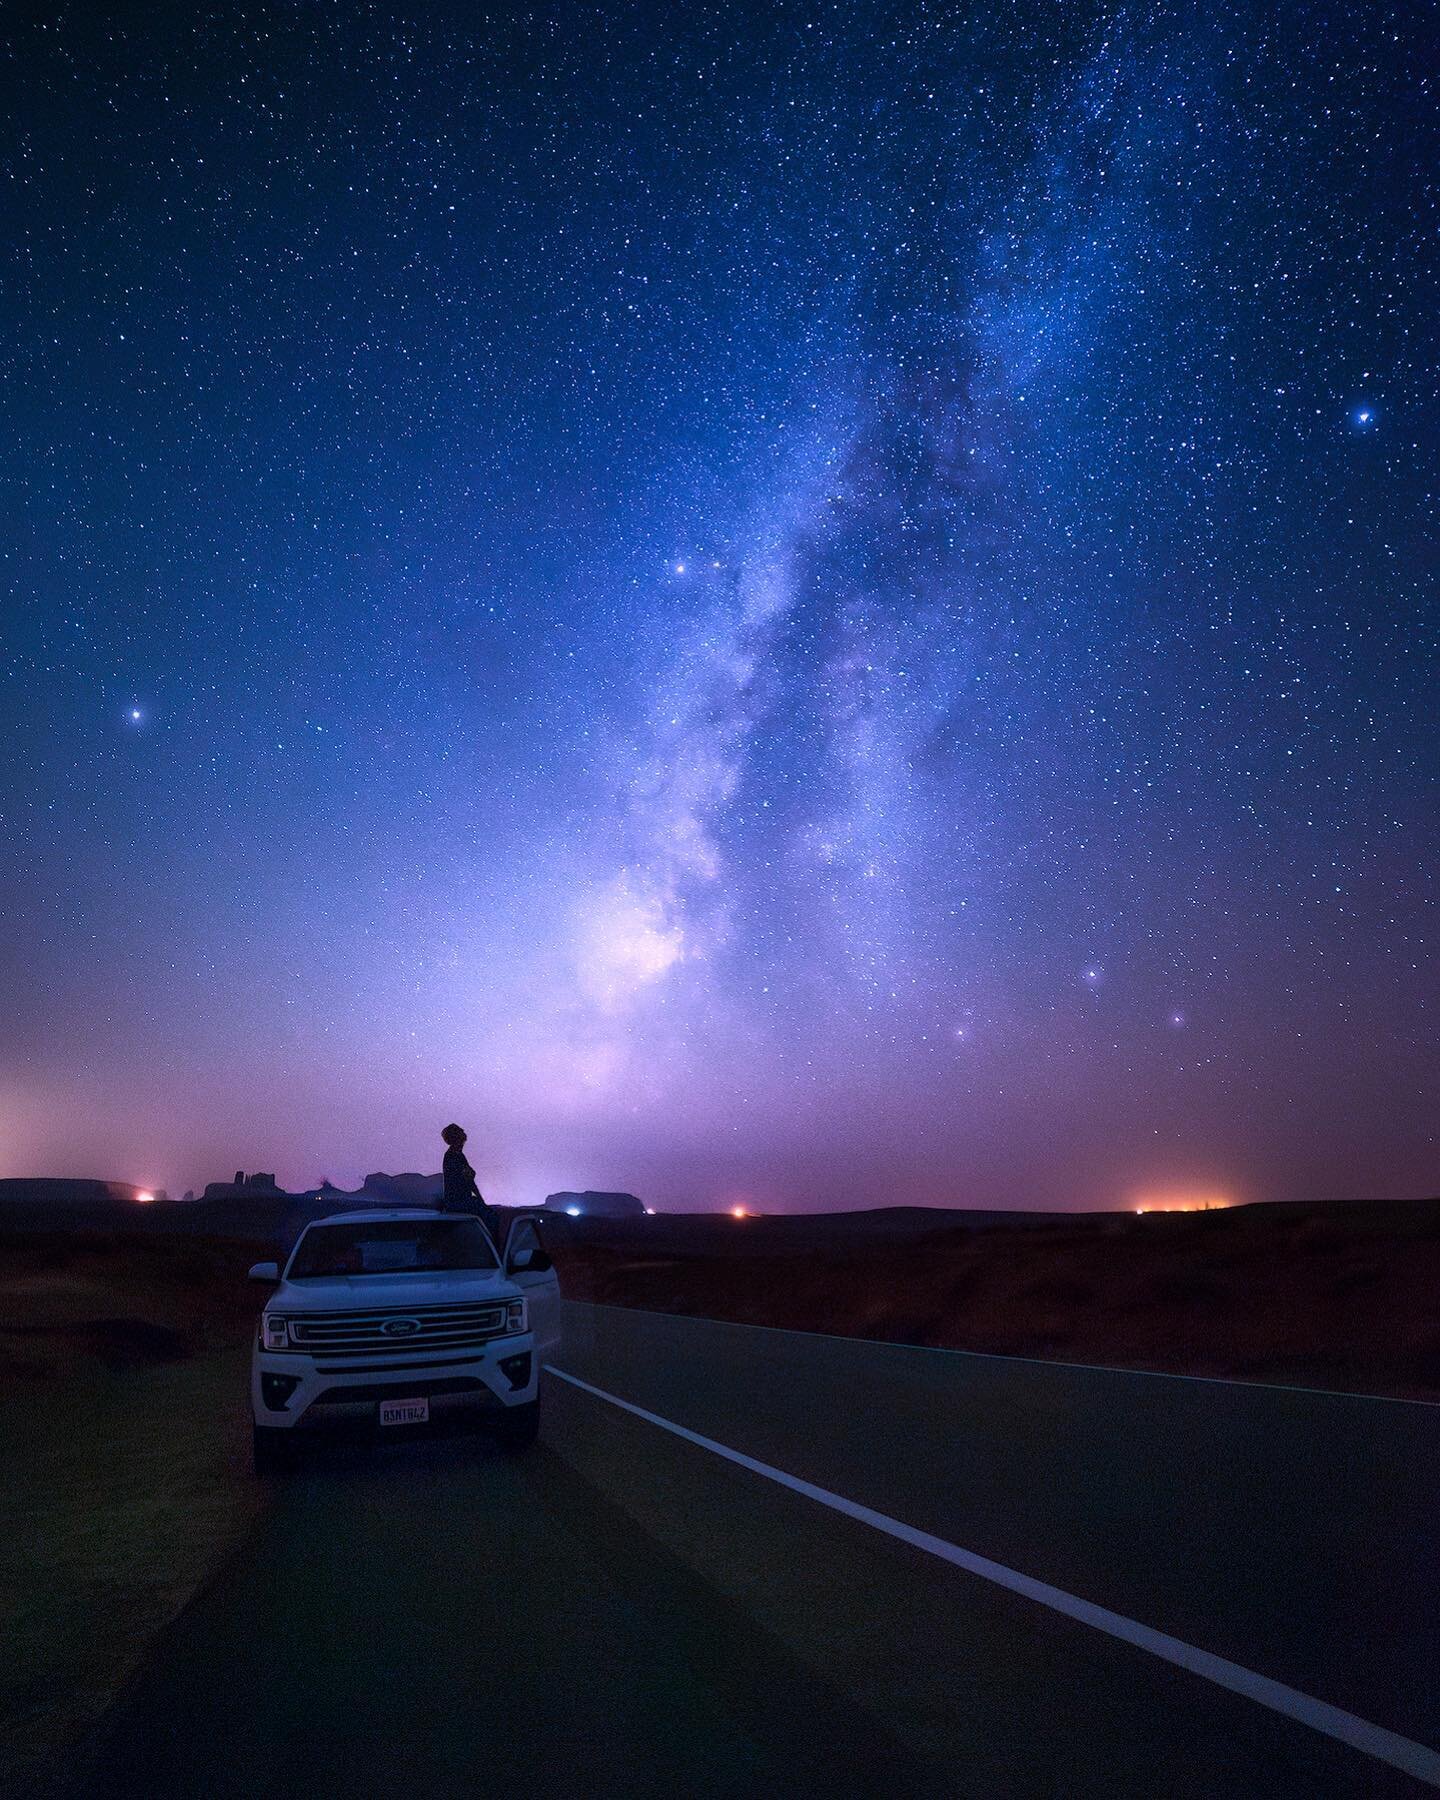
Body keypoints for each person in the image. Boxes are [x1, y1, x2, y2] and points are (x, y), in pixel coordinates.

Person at [440, 1122, 497, 1239]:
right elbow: (469, 1182)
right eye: (461, 1139)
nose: (463, 1143)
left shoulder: (455, 1156)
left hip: (457, 1201)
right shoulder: (454, 1157)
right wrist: (481, 1202)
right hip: (459, 1201)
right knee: (491, 1218)